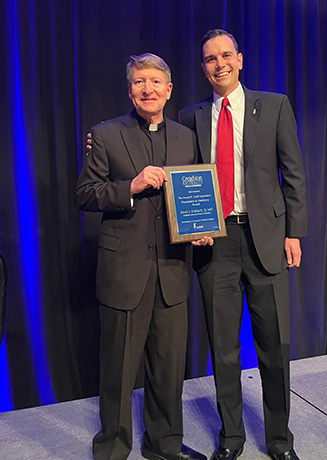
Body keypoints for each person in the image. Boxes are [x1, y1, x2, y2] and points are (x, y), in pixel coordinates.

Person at [178, 30, 307, 460]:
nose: (220, 64)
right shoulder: (190, 115)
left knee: (275, 346)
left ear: (240, 59)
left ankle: (279, 440)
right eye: (210, 59)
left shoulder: (273, 105)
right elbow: (177, 170)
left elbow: (294, 173)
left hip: (266, 238)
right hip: (215, 242)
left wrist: (294, 232)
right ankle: (231, 437)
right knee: (224, 347)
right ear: (203, 68)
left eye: (226, 55)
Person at [75, 53, 211, 460]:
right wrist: (129, 187)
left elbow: (193, 198)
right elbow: (85, 194)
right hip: (124, 272)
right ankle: (112, 450)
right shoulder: (104, 134)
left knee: (169, 369)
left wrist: (200, 229)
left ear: (169, 90)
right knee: (117, 371)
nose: (147, 89)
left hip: (172, 269)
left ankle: (164, 446)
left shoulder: (187, 137)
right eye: (139, 82)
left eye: (155, 82)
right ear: (129, 89)